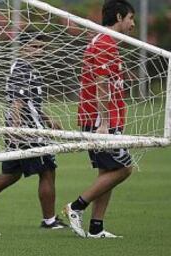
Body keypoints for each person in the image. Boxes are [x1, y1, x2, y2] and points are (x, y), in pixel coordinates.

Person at [0, 32, 68, 230]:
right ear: (22, 47)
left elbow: (29, 103)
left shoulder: (27, 69)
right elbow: (17, 102)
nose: (39, 51)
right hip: (29, 133)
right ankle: (49, 220)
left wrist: (48, 119)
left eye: (41, 47)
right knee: (47, 172)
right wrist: (16, 128)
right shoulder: (21, 68)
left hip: (27, 128)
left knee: (10, 173)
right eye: (34, 47)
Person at [63, 0, 135, 238]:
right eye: (130, 18)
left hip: (107, 118)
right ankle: (76, 206)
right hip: (99, 121)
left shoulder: (106, 42)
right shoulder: (104, 42)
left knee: (107, 173)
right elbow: (101, 85)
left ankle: (96, 228)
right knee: (124, 169)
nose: (132, 24)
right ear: (118, 16)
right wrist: (103, 122)